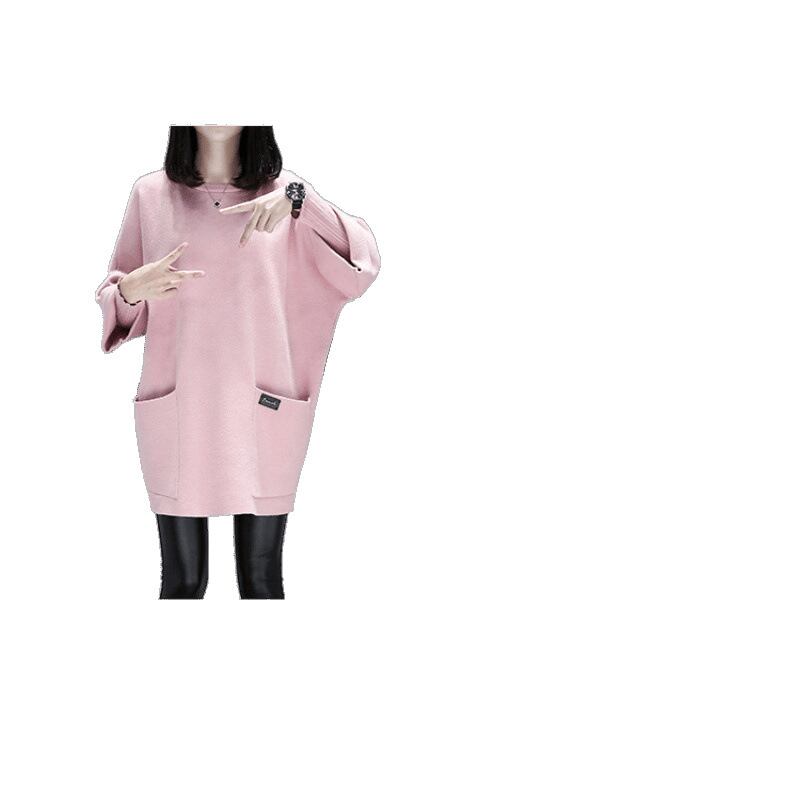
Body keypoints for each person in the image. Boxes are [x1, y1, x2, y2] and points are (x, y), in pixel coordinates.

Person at [95, 125, 381, 599]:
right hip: (179, 406)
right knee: (183, 582)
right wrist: (129, 290)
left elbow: (361, 266)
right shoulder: (151, 195)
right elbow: (120, 301)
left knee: (261, 580)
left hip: (264, 408)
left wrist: (300, 200)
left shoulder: (286, 195)